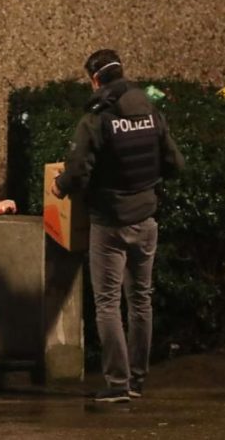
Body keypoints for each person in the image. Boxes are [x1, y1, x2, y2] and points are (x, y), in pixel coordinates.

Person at [51, 49, 185, 403]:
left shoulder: (97, 118)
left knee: (108, 303)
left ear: (95, 79)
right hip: (146, 219)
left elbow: (78, 172)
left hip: (110, 223)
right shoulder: (150, 112)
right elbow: (174, 163)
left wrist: (59, 186)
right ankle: (137, 381)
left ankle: (117, 384)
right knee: (141, 300)